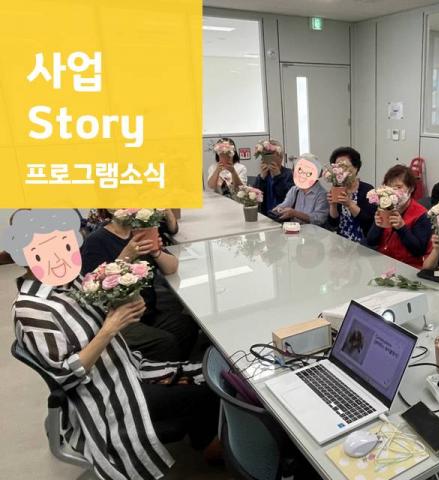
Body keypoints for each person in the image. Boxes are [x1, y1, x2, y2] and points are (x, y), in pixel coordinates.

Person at [5, 209, 220, 479]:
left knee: (202, 372)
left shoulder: (68, 282)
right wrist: (110, 328)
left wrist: (125, 302)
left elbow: (98, 297)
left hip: (125, 368)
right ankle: (211, 445)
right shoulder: (31, 310)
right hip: (104, 395)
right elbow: (65, 375)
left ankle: (205, 438)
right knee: (209, 389)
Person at [81, 209, 200, 361]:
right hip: (120, 319)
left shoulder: (141, 231)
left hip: (148, 311)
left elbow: (171, 268)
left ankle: (173, 366)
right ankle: (155, 369)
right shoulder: (96, 241)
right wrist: (126, 256)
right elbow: (92, 290)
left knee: (187, 325)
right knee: (165, 343)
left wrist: (156, 252)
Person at [365, 165, 432, 268]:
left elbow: (418, 251)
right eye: (390, 187)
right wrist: (377, 226)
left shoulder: (421, 214)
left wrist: (401, 228)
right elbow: (370, 241)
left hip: (407, 266)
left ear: (411, 188)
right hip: (382, 261)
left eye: (399, 187)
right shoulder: (385, 206)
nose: (394, 192)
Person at [326, 147, 377, 242]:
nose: (341, 171)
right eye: (337, 167)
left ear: (356, 168)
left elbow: (369, 223)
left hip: (362, 243)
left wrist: (350, 204)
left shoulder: (368, 190)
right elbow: (333, 224)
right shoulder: (337, 188)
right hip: (340, 241)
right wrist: (333, 205)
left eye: (345, 167)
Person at [271, 153, 329, 226]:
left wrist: (295, 213)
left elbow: (319, 219)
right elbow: (285, 204)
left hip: (313, 231)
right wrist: (278, 209)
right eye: (299, 171)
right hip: (294, 229)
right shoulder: (294, 190)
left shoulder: (322, 194)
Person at [253, 139, 295, 215]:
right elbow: (255, 198)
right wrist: (262, 178)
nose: (267, 158)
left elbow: (287, 198)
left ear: (281, 157)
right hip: (265, 215)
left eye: (271, 154)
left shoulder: (289, 174)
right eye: (265, 155)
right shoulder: (262, 176)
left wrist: (278, 177)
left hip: (283, 215)